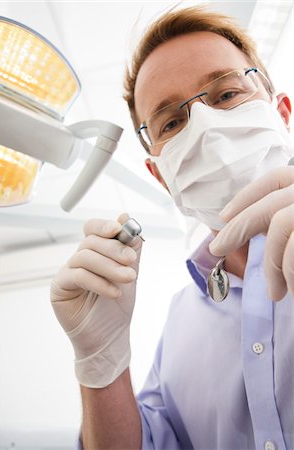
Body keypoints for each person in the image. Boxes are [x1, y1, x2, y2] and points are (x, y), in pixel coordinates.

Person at [50, 5, 294, 450]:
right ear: (160, 174)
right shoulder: (182, 320)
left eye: (225, 95)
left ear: (281, 111)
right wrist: (101, 363)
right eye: (172, 122)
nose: (203, 126)